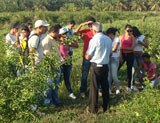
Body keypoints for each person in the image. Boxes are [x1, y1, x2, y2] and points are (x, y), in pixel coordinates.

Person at [85, 22, 112, 113]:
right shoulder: (108, 39)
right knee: (105, 86)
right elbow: (110, 53)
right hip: (105, 65)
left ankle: (93, 109)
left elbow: (88, 56)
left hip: (97, 66)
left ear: (94, 30)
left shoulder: (94, 39)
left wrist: (86, 56)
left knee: (94, 88)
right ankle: (106, 107)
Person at [74, 16, 96, 98]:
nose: (90, 26)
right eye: (89, 24)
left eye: (91, 24)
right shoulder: (86, 31)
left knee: (96, 74)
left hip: (95, 56)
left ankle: (95, 90)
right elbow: (75, 33)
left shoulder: (98, 32)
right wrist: (82, 24)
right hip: (86, 56)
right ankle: (82, 91)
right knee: (84, 74)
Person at [42, 25, 62, 106]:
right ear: (54, 32)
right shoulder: (47, 40)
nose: (58, 34)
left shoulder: (53, 39)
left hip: (56, 64)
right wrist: (50, 65)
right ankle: (48, 102)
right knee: (49, 85)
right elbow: (46, 54)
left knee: (55, 85)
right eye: (58, 32)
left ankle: (55, 100)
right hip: (50, 66)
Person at [59, 27, 78, 99]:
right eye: (64, 34)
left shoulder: (67, 42)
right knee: (59, 79)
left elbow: (76, 45)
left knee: (67, 78)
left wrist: (71, 38)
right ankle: (56, 94)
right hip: (60, 62)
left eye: (67, 33)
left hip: (67, 62)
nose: (66, 35)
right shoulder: (57, 42)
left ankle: (70, 93)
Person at [119, 24, 136, 92]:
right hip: (122, 54)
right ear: (125, 30)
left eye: (131, 31)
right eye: (128, 30)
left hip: (130, 55)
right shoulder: (121, 37)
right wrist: (120, 56)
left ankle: (129, 86)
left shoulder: (132, 37)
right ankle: (113, 84)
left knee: (129, 70)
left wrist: (122, 48)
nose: (129, 32)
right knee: (117, 68)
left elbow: (132, 48)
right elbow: (119, 48)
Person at [106, 27, 120, 94]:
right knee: (108, 76)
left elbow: (114, 49)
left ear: (111, 34)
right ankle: (109, 89)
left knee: (114, 75)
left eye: (108, 34)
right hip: (108, 59)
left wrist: (107, 51)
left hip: (115, 59)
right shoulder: (107, 40)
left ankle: (117, 88)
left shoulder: (117, 39)